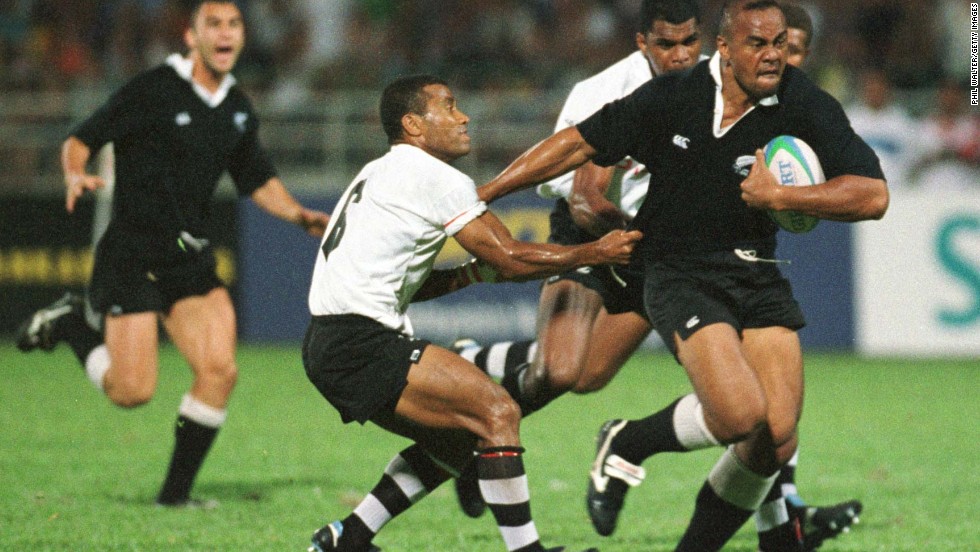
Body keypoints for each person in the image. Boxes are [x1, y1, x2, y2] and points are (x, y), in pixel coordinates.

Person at [475, 1, 889, 550]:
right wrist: (481, 194)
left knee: (776, 439)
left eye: (778, 45)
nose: (771, 57)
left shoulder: (803, 101)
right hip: (678, 274)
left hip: (756, 274)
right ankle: (630, 443)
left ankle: (650, 467)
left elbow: (873, 193)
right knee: (739, 413)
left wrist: (784, 195)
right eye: (757, 44)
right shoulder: (673, 97)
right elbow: (576, 144)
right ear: (725, 47)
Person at [303, 74, 640, 552]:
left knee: (460, 440)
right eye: (449, 106)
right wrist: (596, 251)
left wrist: (466, 276)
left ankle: (348, 538)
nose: (464, 117)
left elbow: (404, 284)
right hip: (361, 342)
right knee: (497, 411)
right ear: (414, 125)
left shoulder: (378, 172)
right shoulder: (433, 176)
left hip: (330, 342)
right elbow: (509, 256)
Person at [15, 0, 330, 507]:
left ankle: (174, 498)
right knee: (131, 392)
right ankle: (72, 323)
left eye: (234, 24)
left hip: (189, 260)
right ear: (191, 35)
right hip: (133, 255)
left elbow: (257, 178)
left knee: (220, 372)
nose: (225, 33)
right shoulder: (154, 89)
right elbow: (83, 138)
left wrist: (299, 214)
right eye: (215, 24)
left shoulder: (236, 107)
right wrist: (75, 171)